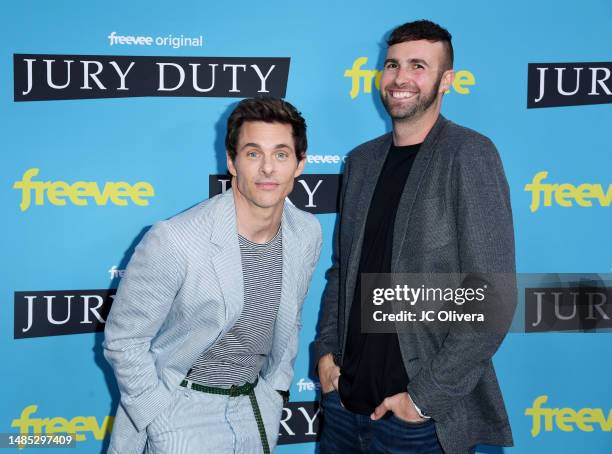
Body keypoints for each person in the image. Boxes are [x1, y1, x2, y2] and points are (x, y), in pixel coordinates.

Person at [314, 20, 516, 454]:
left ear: (447, 81)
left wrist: (424, 399)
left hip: (418, 426)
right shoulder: (361, 161)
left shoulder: (469, 155)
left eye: (418, 66)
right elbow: (341, 271)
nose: (401, 78)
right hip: (344, 411)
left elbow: (492, 297)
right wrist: (325, 353)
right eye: (392, 65)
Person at [103, 97, 322, 454]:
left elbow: (291, 319)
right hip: (180, 407)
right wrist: (158, 415)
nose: (268, 168)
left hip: (255, 407)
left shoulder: (306, 232)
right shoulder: (174, 239)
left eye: (281, 154)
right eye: (253, 153)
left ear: (300, 164)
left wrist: (274, 393)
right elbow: (124, 340)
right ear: (231, 162)